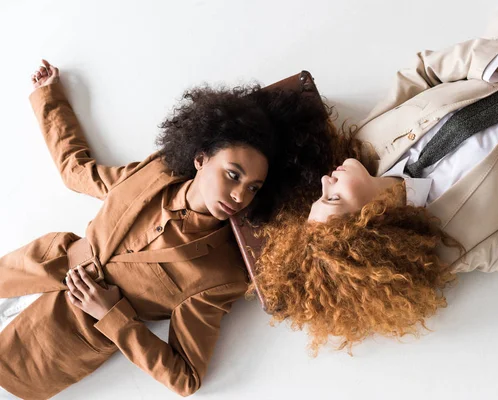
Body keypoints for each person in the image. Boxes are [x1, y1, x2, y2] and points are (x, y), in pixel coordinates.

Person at [250, 0, 498, 353]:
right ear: (368, 225)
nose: (326, 182)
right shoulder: (452, 246)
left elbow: (424, 72)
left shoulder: (368, 142)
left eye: (320, 195)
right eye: (333, 198)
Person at [0, 61, 337, 399]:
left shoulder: (223, 274)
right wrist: (48, 98)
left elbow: (185, 378)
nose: (239, 196)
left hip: (49, 346)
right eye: (233, 174)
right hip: (29, 269)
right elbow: (79, 172)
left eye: (253, 187)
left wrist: (112, 315)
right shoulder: (156, 172)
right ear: (201, 158)